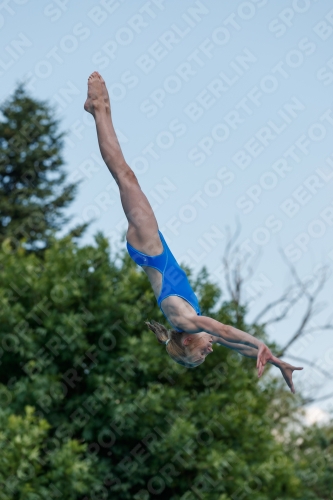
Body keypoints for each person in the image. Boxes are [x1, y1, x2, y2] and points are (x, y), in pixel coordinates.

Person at [84, 71, 303, 393]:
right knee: (127, 177)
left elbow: (225, 329)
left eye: (201, 352)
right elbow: (231, 341)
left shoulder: (183, 321)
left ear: (187, 341)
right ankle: (101, 109)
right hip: (152, 250)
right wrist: (268, 356)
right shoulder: (191, 325)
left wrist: (259, 344)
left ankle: (98, 109)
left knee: (125, 176)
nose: (209, 349)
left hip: (151, 250)